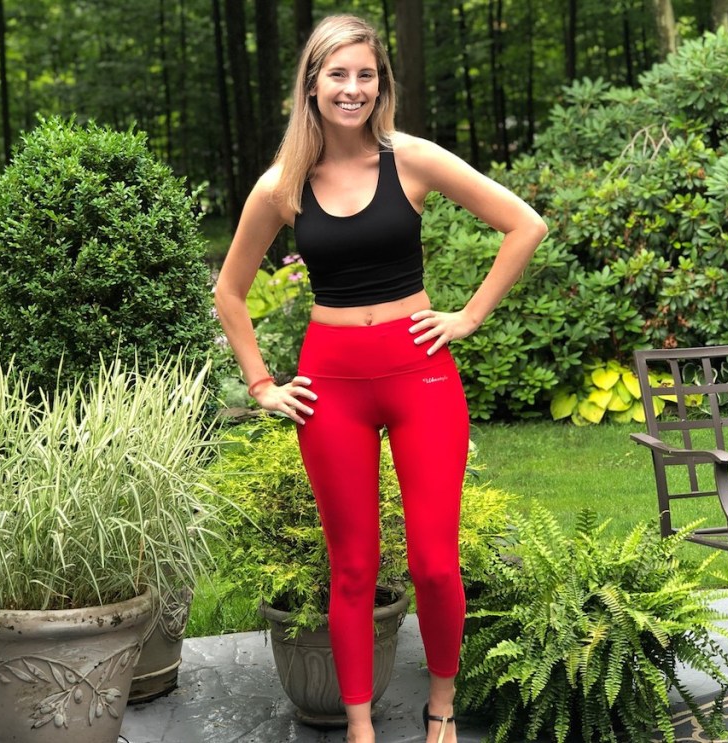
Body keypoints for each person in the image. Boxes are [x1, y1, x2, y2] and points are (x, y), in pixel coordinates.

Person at [214, 14, 547, 743]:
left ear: (381, 84)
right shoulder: (283, 184)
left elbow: (525, 224)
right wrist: (263, 384)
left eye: (366, 75)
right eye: (339, 74)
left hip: (421, 376)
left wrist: (469, 317)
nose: (353, 88)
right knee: (354, 566)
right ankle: (360, 726)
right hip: (330, 385)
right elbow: (229, 292)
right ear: (312, 84)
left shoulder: (413, 159)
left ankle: (441, 708)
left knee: (432, 562)